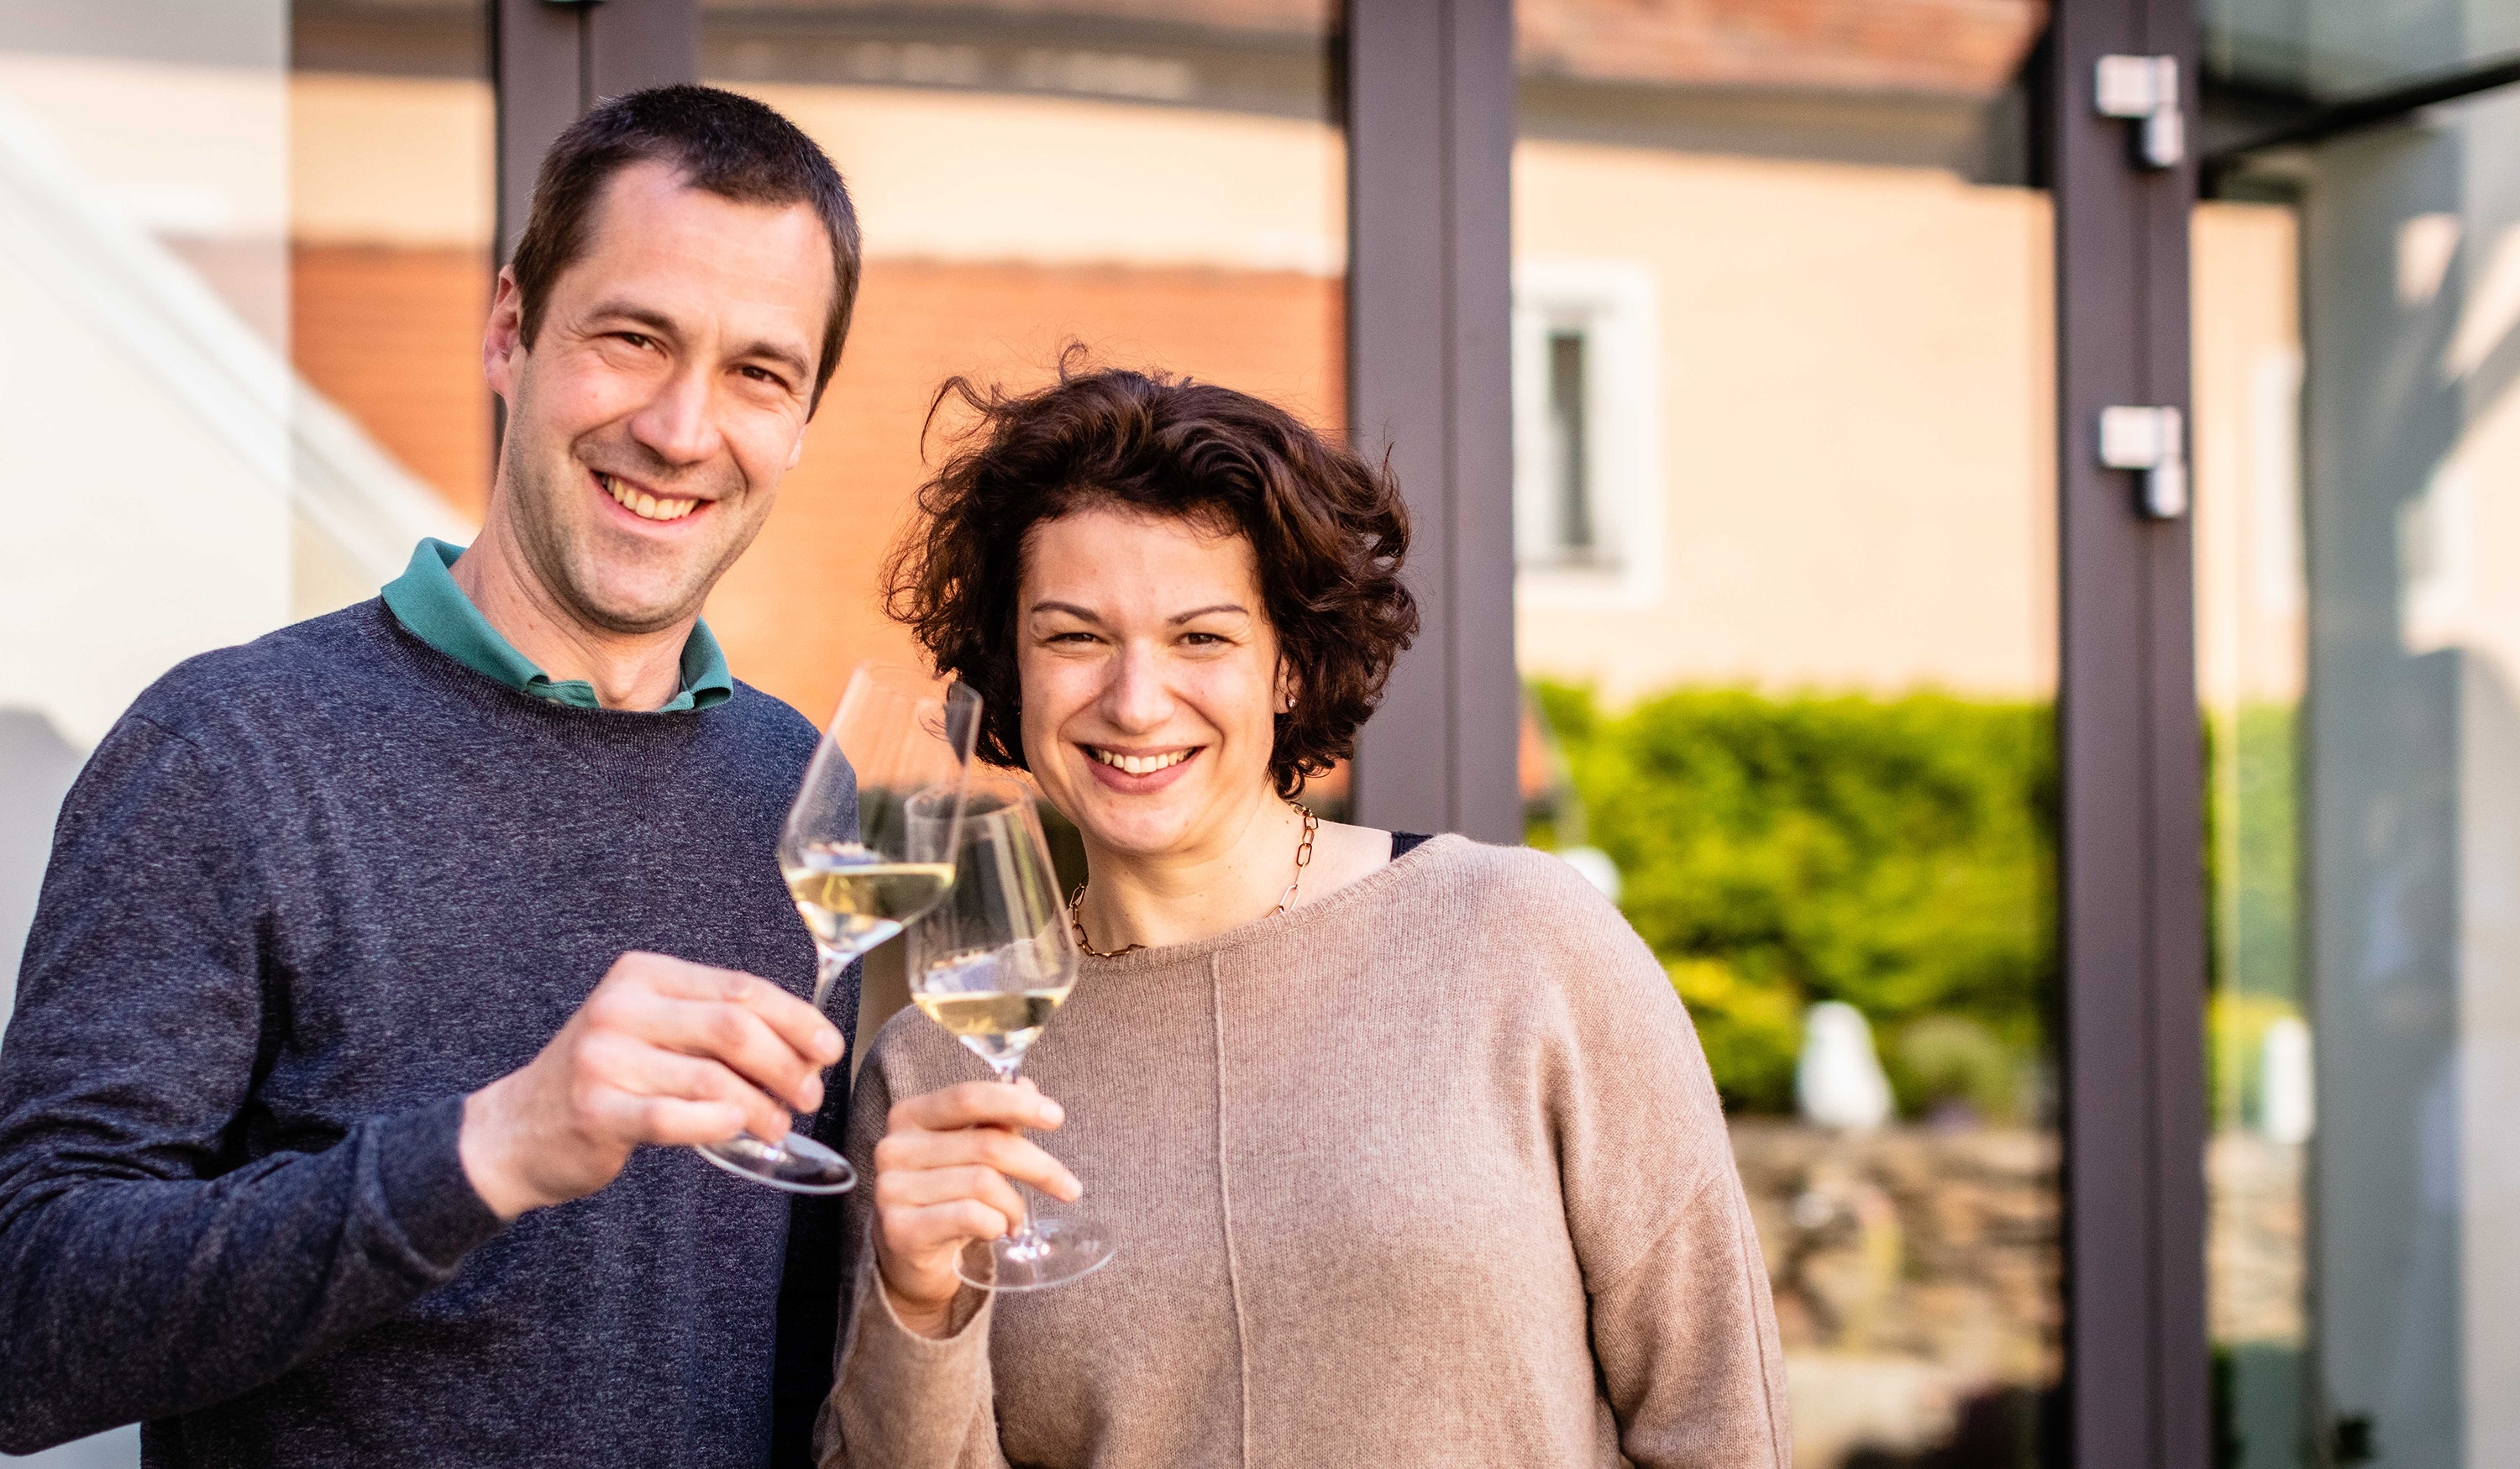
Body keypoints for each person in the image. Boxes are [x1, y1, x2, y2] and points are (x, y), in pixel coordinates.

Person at [0, 86, 864, 1466]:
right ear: (510, 329)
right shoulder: (228, 752)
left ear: (806, 418)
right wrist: (489, 1148)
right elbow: (26, 1317)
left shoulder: (807, 800)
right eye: (635, 338)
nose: (685, 427)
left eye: (759, 371)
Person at [818, 365, 1792, 1466]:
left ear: (1287, 667)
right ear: (1014, 670)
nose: (1136, 700)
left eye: (1201, 638)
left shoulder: (1523, 939)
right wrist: (916, 1296)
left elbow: (1723, 1420)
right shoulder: (939, 1074)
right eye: (1075, 636)